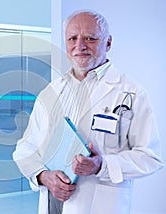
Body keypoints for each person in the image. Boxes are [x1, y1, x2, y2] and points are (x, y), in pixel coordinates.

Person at [13, 9, 164, 214]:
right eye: (72, 38)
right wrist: (42, 175)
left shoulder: (131, 93)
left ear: (108, 43)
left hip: (99, 206)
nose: (79, 46)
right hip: (52, 203)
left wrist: (102, 166)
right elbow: (26, 146)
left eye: (90, 38)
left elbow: (151, 157)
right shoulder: (52, 91)